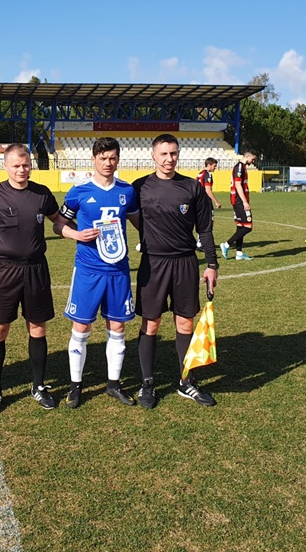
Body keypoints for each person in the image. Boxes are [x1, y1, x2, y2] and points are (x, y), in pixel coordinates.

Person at [0, 145, 59, 412]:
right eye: (16, 165)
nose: (21, 170)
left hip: (36, 269)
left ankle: (38, 386)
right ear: (5, 166)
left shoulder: (42, 193)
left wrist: (84, 231)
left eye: (26, 164)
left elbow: (58, 221)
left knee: (38, 328)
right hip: (3, 270)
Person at [132, 134, 220, 409]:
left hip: (185, 263)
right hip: (153, 264)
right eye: (164, 154)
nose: (169, 159)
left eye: (173, 153)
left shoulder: (192, 187)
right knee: (151, 324)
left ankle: (186, 381)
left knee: (185, 324)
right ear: (153, 156)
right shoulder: (139, 187)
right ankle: (147, 382)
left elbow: (205, 230)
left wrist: (212, 264)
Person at [53, 137, 141, 409]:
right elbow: (58, 224)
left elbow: (140, 223)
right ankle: (75, 386)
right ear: (93, 159)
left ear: (118, 159)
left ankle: (113, 384)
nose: (108, 163)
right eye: (103, 158)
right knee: (81, 327)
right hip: (88, 271)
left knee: (117, 327)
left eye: (112, 158)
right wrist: (76, 234)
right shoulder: (78, 192)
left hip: (118, 270)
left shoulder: (127, 191)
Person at [220, 151, 257, 261]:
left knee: (241, 225)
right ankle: (226, 244)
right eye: (253, 159)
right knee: (248, 226)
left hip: (237, 200)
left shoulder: (242, 167)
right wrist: (245, 202)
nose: (253, 162)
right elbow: (237, 185)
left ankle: (239, 253)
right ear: (247, 156)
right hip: (239, 200)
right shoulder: (240, 167)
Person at [195, 157, 222, 248]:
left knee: (202, 222)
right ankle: (201, 243)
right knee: (208, 223)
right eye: (214, 166)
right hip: (205, 202)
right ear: (209, 165)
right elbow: (208, 190)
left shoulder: (200, 174)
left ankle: (200, 242)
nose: (215, 168)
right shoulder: (208, 174)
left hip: (198, 201)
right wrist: (216, 201)